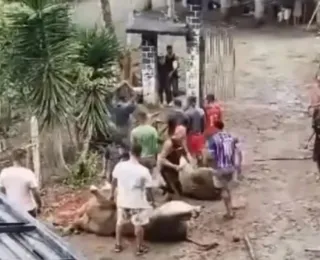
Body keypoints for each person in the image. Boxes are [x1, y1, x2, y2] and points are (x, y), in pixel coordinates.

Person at [110, 143, 154, 255]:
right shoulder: (144, 171)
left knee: (120, 223)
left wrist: (111, 194)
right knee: (138, 224)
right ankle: (139, 248)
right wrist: (151, 201)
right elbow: (149, 190)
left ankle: (117, 245)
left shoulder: (120, 166)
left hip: (123, 200)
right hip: (137, 202)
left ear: (130, 153)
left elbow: (114, 181)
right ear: (140, 154)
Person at [0, 148, 42, 218]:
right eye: (26, 158)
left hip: (12, 209)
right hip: (28, 209)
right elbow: (35, 193)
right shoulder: (28, 173)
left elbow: (2, 192)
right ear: (23, 159)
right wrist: (39, 205)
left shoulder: (4, 173)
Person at [208, 121, 237, 219]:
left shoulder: (213, 139)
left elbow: (211, 156)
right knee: (228, 188)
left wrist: (213, 168)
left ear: (216, 128)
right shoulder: (230, 136)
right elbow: (234, 152)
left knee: (223, 190)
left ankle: (229, 212)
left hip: (220, 168)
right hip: (230, 167)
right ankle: (231, 208)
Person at [158, 119, 192, 201]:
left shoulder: (182, 141)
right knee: (176, 193)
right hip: (167, 170)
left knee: (178, 189)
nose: (183, 137)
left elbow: (185, 151)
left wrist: (189, 158)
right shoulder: (169, 143)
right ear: (176, 133)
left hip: (175, 170)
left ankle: (168, 193)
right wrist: (174, 166)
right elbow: (161, 159)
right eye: (181, 135)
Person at [185, 96, 206, 163]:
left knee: (191, 154)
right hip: (199, 135)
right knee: (199, 153)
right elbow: (203, 124)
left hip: (191, 136)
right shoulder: (200, 111)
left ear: (189, 102)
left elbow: (187, 127)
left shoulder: (187, 113)